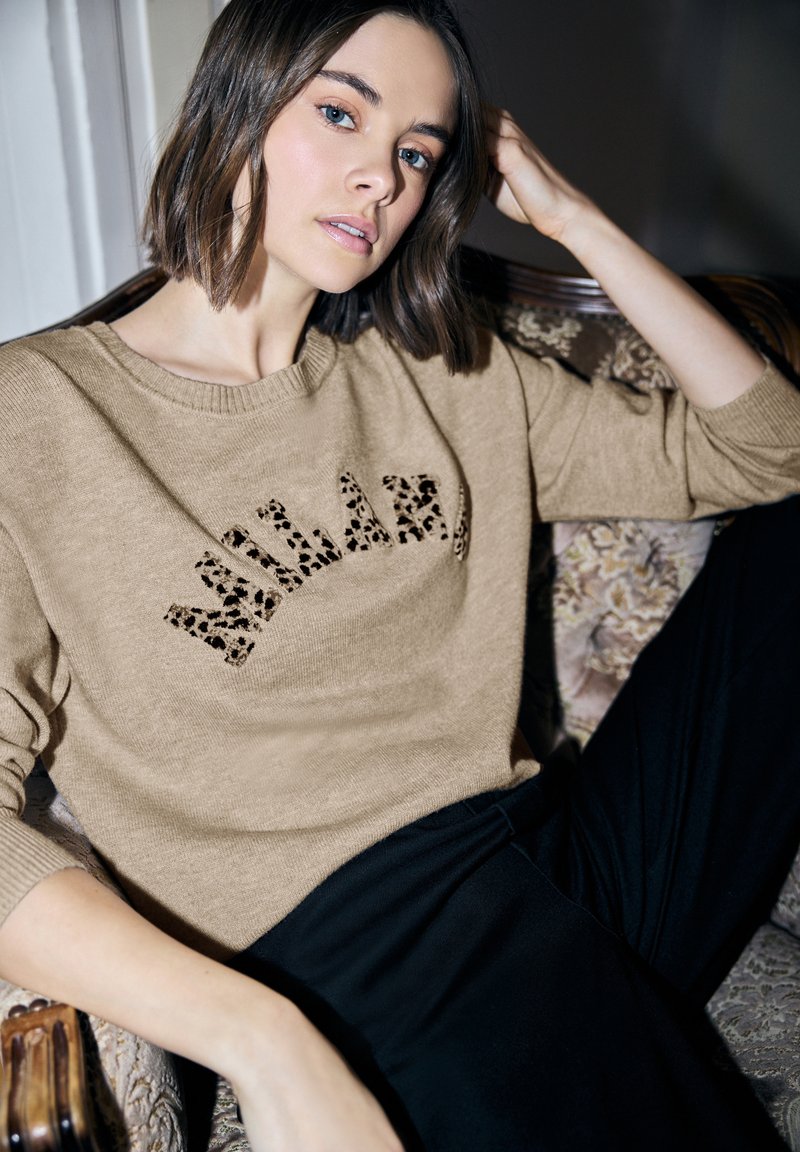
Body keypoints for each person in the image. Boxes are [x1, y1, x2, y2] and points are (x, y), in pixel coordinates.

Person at [0, 1, 798, 1148]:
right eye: (340, 114)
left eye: (417, 153)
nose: (380, 179)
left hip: (553, 849)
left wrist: (573, 220)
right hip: (353, 935)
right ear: (234, 105)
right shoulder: (37, 416)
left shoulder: (442, 371)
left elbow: (767, 450)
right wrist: (261, 1039)